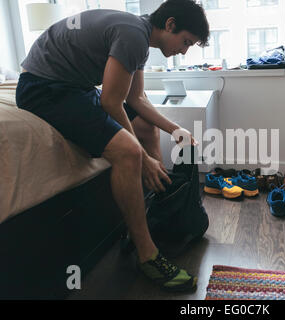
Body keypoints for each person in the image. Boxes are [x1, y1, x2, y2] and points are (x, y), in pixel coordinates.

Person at [15, 0, 209, 292]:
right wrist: (143, 158)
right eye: (185, 42)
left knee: (144, 128)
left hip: (73, 87)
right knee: (129, 152)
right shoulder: (133, 35)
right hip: (42, 89)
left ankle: (154, 213)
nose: (184, 51)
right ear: (169, 25)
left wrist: (174, 128)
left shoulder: (139, 34)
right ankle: (148, 255)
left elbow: (136, 99)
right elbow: (110, 101)